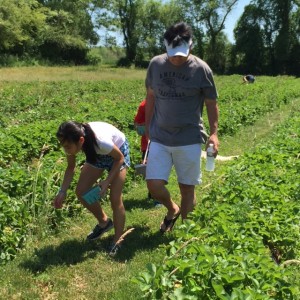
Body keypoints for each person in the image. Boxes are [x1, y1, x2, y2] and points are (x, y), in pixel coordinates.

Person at [145, 21, 219, 233]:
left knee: (187, 188)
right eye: (173, 53)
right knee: (154, 185)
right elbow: (150, 96)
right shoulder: (155, 65)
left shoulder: (201, 69)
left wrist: (213, 133)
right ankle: (172, 208)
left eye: (182, 53)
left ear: (191, 46)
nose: (177, 58)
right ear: (165, 46)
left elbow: (211, 103)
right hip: (160, 135)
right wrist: (147, 124)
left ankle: (186, 238)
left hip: (188, 137)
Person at [53, 121, 130, 256]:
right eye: (63, 146)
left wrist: (107, 182)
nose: (66, 150)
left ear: (81, 140)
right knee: (81, 191)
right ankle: (104, 222)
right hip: (98, 154)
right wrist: (62, 192)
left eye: (68, 147)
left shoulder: (101, 141)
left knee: (115, 198)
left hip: (118, 153)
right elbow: (71, 167)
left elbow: (119, 159)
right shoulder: (71, 140)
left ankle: (118, 239)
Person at [134, 99, 162, 207]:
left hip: (164, 143)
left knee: (158, 170)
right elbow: (137, 124)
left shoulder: (170, 102)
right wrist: (147, 126)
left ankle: (157, 197)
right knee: (150, 171)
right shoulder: (144, 105)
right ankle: (154, 194)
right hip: (148, 144)